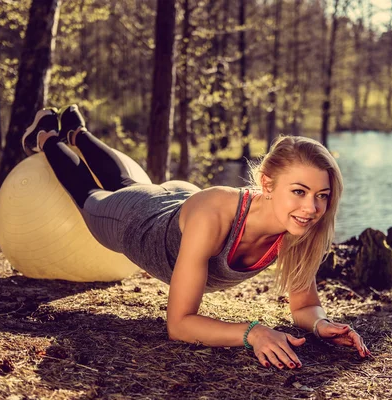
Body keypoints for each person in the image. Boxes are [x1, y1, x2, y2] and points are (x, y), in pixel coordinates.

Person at [21, 105, 371, 370]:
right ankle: (46, 138)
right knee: (91, 197)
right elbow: (179, 323)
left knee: (129, 182)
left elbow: (305, 306)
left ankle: (78, 133)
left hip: (182, 199)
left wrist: (322, 324)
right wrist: (252, 332)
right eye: (299, 191)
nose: (311, 207)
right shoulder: (217, 214)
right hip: (138, 222)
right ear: (267, 184)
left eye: (322, 195)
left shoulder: (298, 228)